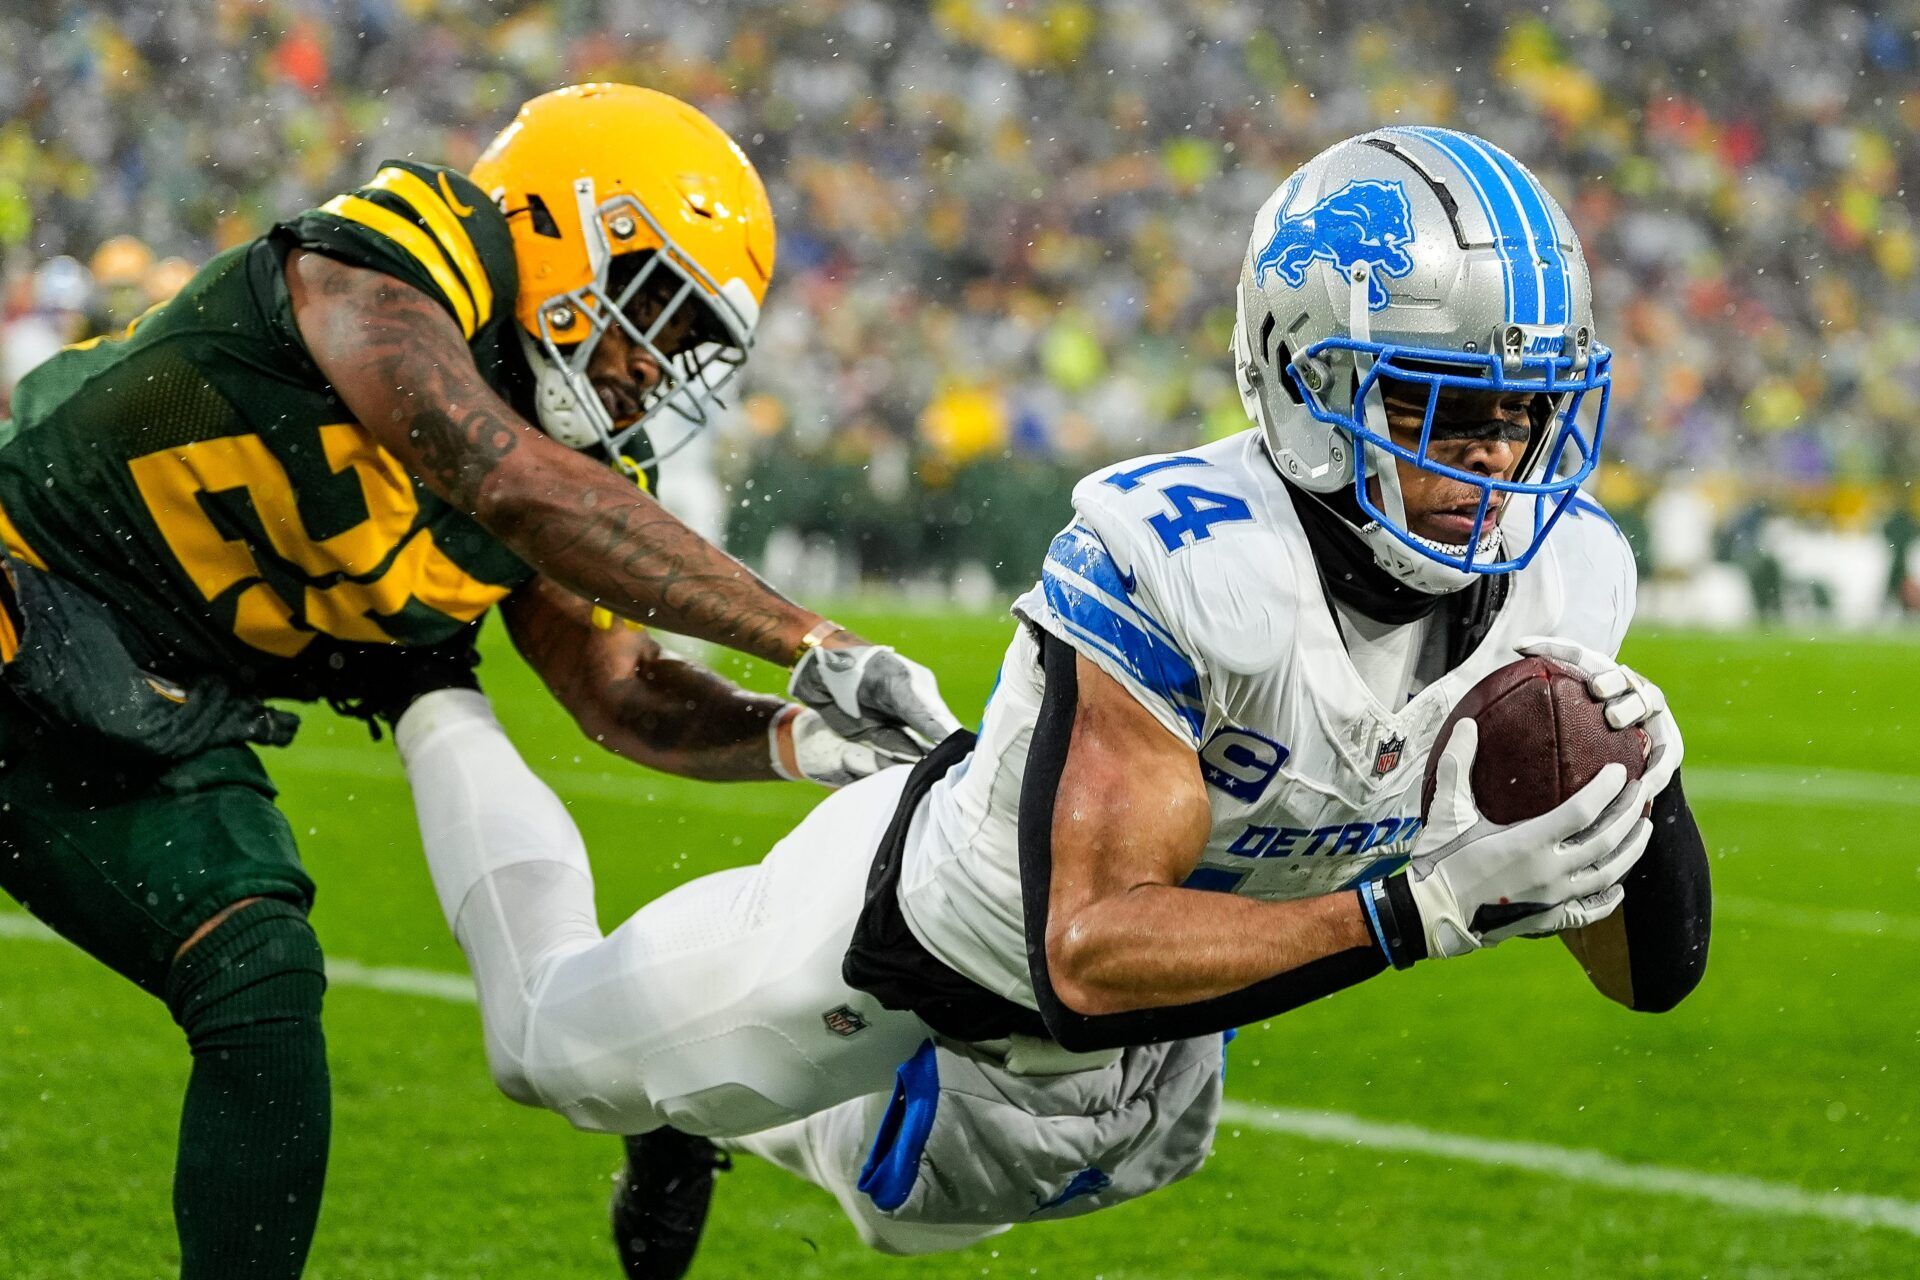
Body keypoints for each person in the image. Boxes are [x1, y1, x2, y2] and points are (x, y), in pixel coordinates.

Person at [391, 127, 1711, 1278]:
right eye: (1439, 406)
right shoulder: (1193, 553)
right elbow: (1082, 955)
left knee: (908, 1213)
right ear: (1304, 375)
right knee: (547, 1048)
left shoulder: (1570, 580)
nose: (1489, 461)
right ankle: (426, 693)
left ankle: (722, 1119)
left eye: (1521, 416)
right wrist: (1422, 908)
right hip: (919, 928)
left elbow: (1655, 979)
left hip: (1143, 1023)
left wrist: (1636, 805)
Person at [0, 83, 958, 1280]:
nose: (652, 365)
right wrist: (810, 640)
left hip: (155, 701)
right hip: (22, 574)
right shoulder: (415, 249)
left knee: (261, 982)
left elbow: (618, 690)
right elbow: (499, 476)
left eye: (691, 340)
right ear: (561, 228)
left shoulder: (580, 453)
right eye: (655, 304)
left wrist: (802, 735)